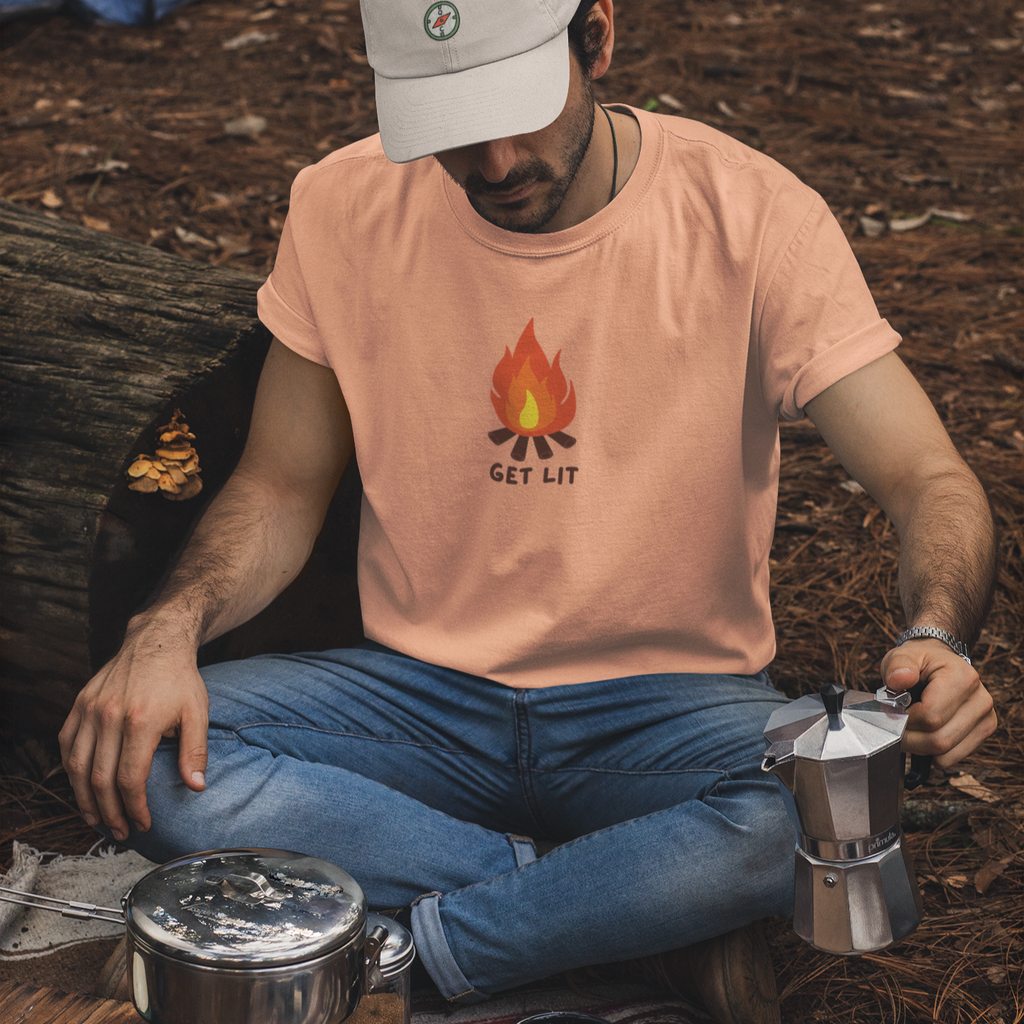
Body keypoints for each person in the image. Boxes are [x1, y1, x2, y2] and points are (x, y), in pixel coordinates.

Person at [59, 2, 998, 1022]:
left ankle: (416, 954)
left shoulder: (751, 213)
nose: (494, 159)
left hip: (664, 712)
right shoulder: (344, 204)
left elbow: (926, 477)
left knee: (816, 813)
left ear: (595, 37)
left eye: (515, 107)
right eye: (451, 124)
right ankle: (609, 908)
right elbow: (280, 486)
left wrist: (936, 632)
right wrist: (163, 630)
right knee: (138, 745)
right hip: (418, 704)